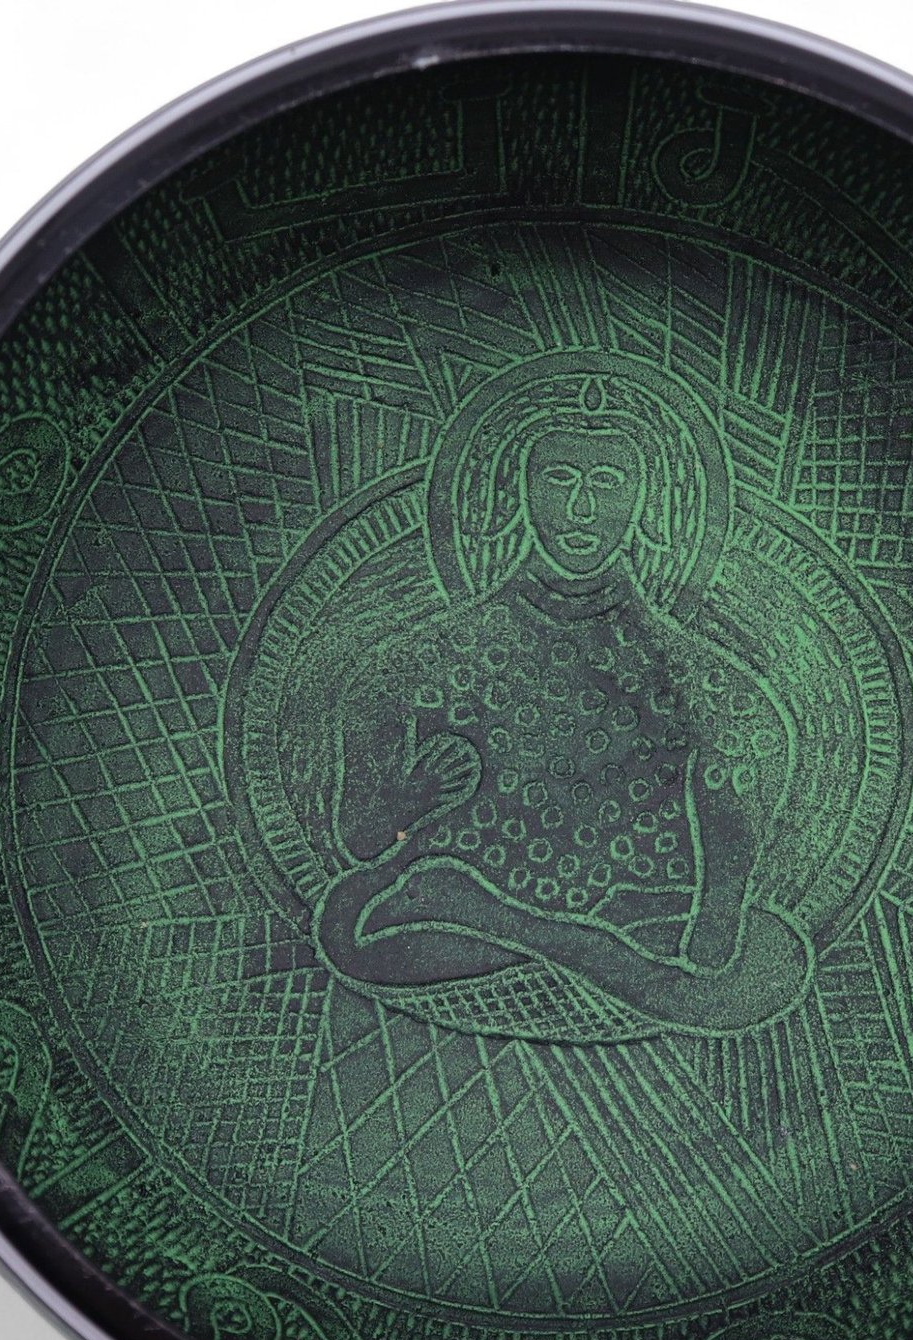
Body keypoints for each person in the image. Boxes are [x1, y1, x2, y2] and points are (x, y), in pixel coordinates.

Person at [310, 364, 813, 1036]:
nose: (581, 510)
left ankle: (513, 926)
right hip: (437, 920)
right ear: (515, 492)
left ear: (647, 501)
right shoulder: (424, 663)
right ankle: (564, 944)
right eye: (559, 479)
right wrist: (407, 801)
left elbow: (751, 764)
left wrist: (716, 909)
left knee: (764, 954)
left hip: (627, 917)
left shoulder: (706, 679)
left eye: (607, 483)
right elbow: (359, 840)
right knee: (364, 933)